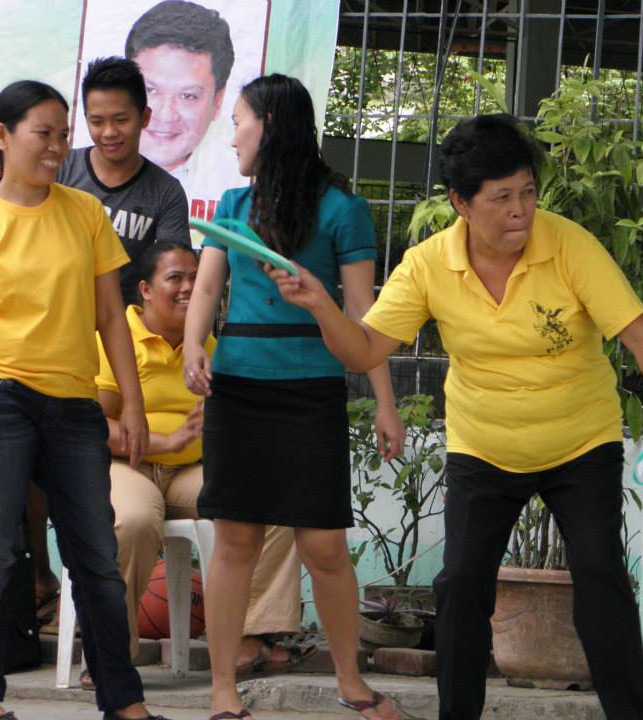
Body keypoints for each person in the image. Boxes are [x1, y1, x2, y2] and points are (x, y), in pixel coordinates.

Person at [267, 113, 643, 720]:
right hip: (484, 444)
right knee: (460, 584)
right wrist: (322, 306)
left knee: (602, 577)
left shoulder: (569, 245)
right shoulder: (427, 264)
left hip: (581, 440)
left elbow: (640, 335)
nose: (520, 211)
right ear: (461, 203)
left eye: (527, 193)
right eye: (501, 198)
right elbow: (365, 349)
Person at [182, 74, 405, 720]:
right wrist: (196, 343)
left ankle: (350, 680)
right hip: (240, 389)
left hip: (312, 392)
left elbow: (368, 320)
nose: (232, 138)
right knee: (235, 541)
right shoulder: (230, 205)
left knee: (324, 547)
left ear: (271, 126)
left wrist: (385, 403)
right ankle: (222, 688)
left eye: (240, 123)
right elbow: (205, 289)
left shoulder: (343, 209)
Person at [0, 80, 169, 720]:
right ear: (2, 137)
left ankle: (123, 701)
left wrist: (130, 405)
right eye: (41, 134)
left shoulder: (84, 212)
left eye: (61, 135)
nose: (56, 147)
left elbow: (112, 315)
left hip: (75, 407)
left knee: (97, 560)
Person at [90, 241, 310, 686]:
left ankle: (250, 637)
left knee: (271, 500)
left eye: (196, 277)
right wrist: (166, 441)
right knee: (132, 520)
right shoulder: (116, 339)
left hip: (190, 474)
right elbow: (96, 426)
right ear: (146, 290)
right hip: (125, 466)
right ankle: (113, 655)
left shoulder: (210, 345)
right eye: (176, 278)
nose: (189, 287)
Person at [58, 56, 190, 305]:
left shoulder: (166, 192)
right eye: (97, 121)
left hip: (126, 327)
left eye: (121, 120)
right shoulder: (61, 170)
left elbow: (172, 273)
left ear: (145, 117)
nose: (109, 132)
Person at [125, 1, 233, 182]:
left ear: (217, 101)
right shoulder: (80, 165)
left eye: (188, 96)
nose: (166, 115)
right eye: (150, 90)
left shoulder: (233, 181)